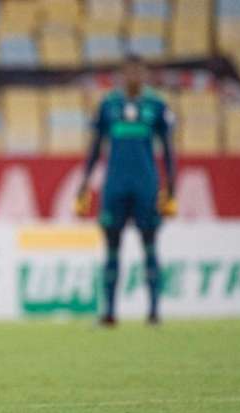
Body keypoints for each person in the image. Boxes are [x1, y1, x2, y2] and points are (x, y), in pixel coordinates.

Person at [75, 54, 176, 326]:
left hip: (146, 186)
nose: (133, 77)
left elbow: (167, 149)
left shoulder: (156, 106)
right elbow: (96, 147)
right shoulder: (108, 105)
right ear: (122, 75)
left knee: (150, 246)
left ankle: (154, 311)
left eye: (138, 72)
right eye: (128, 72)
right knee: (111, 247)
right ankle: (109, 311)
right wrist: (85, 181)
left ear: (144, 75)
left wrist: (171, 186)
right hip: (115, 186)